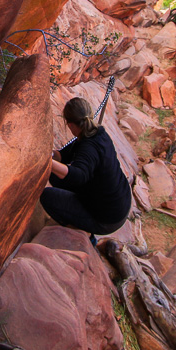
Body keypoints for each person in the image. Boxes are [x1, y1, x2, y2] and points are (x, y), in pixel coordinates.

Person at [41, 97, 132, 242]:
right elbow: (62, 156)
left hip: (106, 218)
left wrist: (45, 162)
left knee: (47, 196)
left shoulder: (88, 147)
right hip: (118, 202)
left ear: (70, 125)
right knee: (54, 176)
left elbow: (78, 176)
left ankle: (85, 234)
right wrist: (46, 152)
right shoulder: (96, 133)